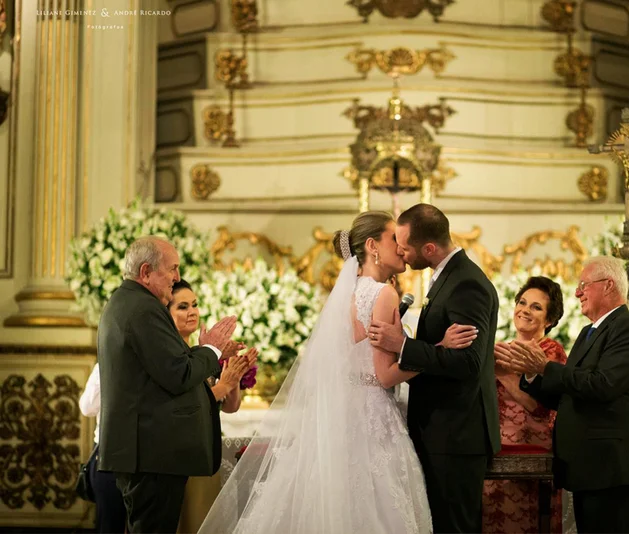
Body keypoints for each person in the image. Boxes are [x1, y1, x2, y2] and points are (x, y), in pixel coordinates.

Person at [199, 211, 433, 533]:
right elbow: (384, 376)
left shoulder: (349, 294)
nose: (403, 246)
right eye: (394, 238)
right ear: (372, 246)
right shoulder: (384, 293)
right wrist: (432, 355)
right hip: (373, 417)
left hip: (342, 415)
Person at [496, 256, 629, 534]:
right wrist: (533, 375)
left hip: (613, 468)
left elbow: (604, 385)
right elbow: (568, 393)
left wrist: (545, 367)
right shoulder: (588, 333)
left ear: (608, 286)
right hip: (590, 468)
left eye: (583, 285)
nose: (577, 292)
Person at [369, 203, 501, 533]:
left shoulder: (466, 284)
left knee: (454, 526)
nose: (400, 251)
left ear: (429, 248)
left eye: (404, 245)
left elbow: (469, 364)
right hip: (443, 433)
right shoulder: (449, 278)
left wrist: (402, 345)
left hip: (456, 436)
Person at [96, 236, 240, 534]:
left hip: (148, 452)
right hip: (151, 453)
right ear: (146, 271)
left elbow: (162, 368)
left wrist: (205, 352)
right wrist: (211, 349)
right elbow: (179, 374)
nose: (176, 278)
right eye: (172, 269)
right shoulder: (143, 309)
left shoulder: (130, 302)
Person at [167, 279, 255, 534]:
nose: (192, 311)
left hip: (206, 447)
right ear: (166, 313)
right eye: (182, 307)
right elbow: (185, 403)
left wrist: (232, 372)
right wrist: (222, 385)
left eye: (194, 305)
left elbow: (230, 407)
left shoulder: (201, 353)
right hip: (181, 452)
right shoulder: (173, 357)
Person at [484, 276, 567, 533]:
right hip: (492, 449)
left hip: (531, 450)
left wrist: (501, 374)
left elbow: (542, 408)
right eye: (522, 302)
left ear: (550, 320)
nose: (525, 310)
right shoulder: (499, 349)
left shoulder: (550, 351)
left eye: (536, 307)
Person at [79, 364, 126, 533]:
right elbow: (87, 408)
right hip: (112, 456)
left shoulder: (105, 367)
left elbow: (87, 407)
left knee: (109, 524)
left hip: (109, 457)